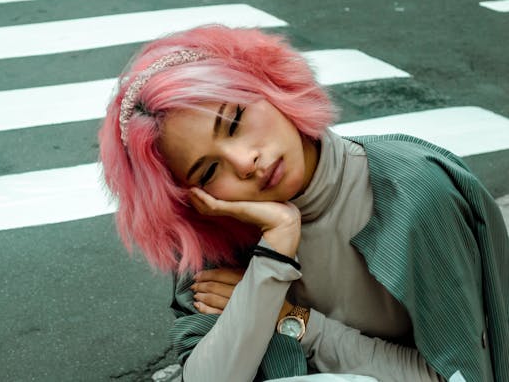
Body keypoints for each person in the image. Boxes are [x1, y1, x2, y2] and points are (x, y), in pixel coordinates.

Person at [97, 25, 509, 382]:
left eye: (235, 122)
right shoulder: (215, 230)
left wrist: (293, 322)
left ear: (269, 84)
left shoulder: (415, 192)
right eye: (208, 172)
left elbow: (457, 375)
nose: (245, 163)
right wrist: (272, 254)